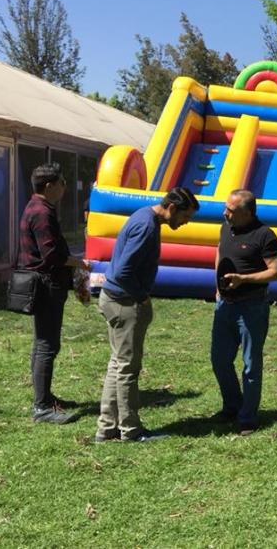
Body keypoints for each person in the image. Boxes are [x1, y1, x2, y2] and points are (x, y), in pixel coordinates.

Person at [94, 187, 199, 442]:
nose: (186, 223)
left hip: (113, 299)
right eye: (185, 216)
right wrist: (141, 296)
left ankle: (106, 428)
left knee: (117, 364)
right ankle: (130, 430)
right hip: (124, 302)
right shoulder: (147, 227)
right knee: (128, 369)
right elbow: (123, 272)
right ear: (172, 208)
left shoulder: (144, 216)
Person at [18, 163, 90, 424]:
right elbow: (52, 255)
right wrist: (79, 263)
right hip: (48, 285)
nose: (64, 188)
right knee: (47, 345)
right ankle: (41, 407)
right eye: (62, 183)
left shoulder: (35, 207)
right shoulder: (43, 212)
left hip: (44, 284)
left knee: (43, 344)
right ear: (49, 186)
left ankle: (45, 397)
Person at [212, 189, 277, 435]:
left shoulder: (265, 235)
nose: (225, 214)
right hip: (225, 306)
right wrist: (217, 286)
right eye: (225, 208)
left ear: (248, 212)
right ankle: (232, 406)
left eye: (231, 211)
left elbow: (276, 272)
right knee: (219, 360)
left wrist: (244, 279)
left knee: (251, 364)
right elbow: (220, 251)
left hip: (252, 307)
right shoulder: (225, 227)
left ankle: (248, 417)